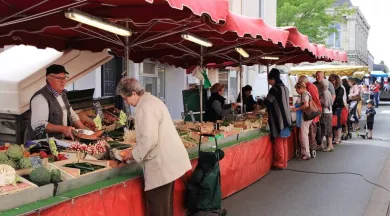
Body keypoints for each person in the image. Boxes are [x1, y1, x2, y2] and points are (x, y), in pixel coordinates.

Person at [117, 78, 191, 216]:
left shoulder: (145, 107)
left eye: (125, 98)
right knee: (165, 207)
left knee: (158, 208)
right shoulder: (151, 101)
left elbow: (149, 139)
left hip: (161, 164)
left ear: (133, 93)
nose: (126, 102)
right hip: (167, 162)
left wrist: (133, 154)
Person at [27, 64, 87, 141]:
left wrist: (87, 132)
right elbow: (40, 125)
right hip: (43, 147)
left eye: (64, 78)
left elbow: (72, 115)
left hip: (60, 143)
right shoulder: (40, 98)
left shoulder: (62, 94)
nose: (63, 81)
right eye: (59, 78)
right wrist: (64, 129)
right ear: (48, 78)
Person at [263, 68, 292, 169]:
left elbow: (267, 102)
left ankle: (279, 164)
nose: (268, 81)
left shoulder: (275, 89)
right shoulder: (285, 88)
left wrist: (259, 103)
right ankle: (284, 163)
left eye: (268, 79)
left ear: (272, 78)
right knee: (284, 142)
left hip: (279, 120)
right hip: (287, 119)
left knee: (279, 141)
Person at [298, 75, 321, 150]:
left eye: (299, 83)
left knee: (310, 132)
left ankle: (312, 148)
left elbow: (314, 100)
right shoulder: (311, 86)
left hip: (311, 113)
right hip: (313, 112)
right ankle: (311, 147)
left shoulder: (310, 87)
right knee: (310, 131)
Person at [292, 82, 312, 160]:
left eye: (296, 89)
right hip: (306, 116)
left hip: (306, 116)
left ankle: (306, 153)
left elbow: (306, 105)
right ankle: (305, 152)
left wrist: (297, 109)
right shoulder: (304, 94)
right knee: (303, 134)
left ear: (300, 88)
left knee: (303, 135)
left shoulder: (305, 94)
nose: (296, 90)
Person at [319, 80, 334, 152]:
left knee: (326, 129)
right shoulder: (328, 92)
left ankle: (329, 145)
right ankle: (329, 145)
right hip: (330, 112)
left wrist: (320, 102)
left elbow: (326, 104)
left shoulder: (324, 93)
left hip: (326, 112)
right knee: (328, 128)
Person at [329, 75, 345, 144]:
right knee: (334, 123)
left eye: (333, 80)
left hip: (338, 107)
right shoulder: (330, 88)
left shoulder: (340, 88)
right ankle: (335, 138)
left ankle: (338, 138)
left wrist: (332, 101)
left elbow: (339, 98)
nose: (332, 82)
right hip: (332, 107)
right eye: (330, 80)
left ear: (336, 81)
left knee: (338, 122)